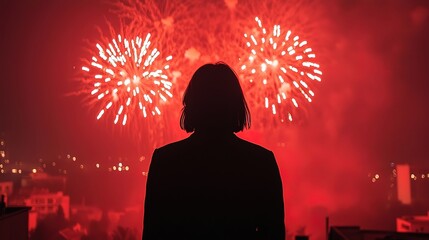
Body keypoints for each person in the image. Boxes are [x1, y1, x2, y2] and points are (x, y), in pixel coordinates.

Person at [142, 62, 285, 240]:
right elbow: (274, 233)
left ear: (191, 105)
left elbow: (153, 233)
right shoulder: (261, 162)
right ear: (236, 106)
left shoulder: (165, 160)